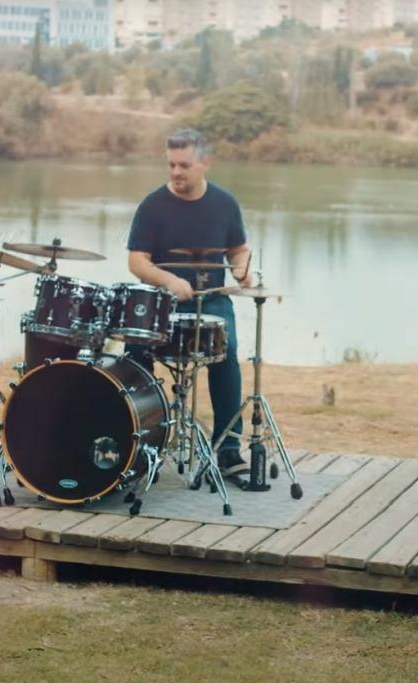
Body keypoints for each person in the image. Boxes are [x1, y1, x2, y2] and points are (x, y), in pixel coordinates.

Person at [126, 129, 257, 481]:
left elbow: (238, 249)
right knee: (134, 358)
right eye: (171, 165)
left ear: (204, 163)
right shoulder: (152, 206)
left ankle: (228, 451)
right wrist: (168, 281)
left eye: (184, 165)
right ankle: (136, 444)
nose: (176, 173)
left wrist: (243, 271)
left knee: (226, 357)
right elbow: (137, 262)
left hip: (211, 302)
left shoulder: (225, 203)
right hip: (160, 305)